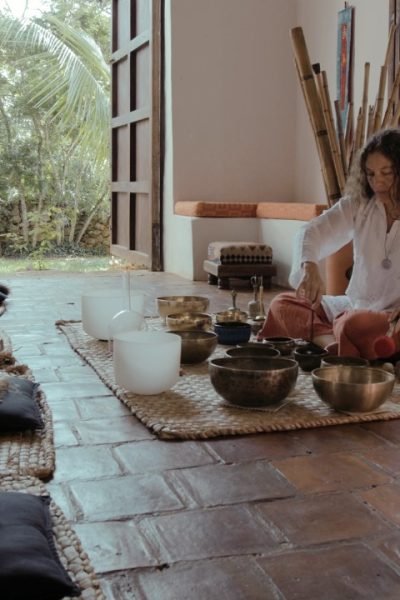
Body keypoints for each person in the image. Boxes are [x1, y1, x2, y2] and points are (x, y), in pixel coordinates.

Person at [257, 127, 400, 360]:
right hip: (353, 306)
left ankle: (345, 340)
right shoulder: (360, 205)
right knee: (283, 304)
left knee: (356, 324)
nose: (378, 182)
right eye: (371, 174)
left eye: (387, 172)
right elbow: (312, 231)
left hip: (388, 318)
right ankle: (332, 345)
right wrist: (309, 265)